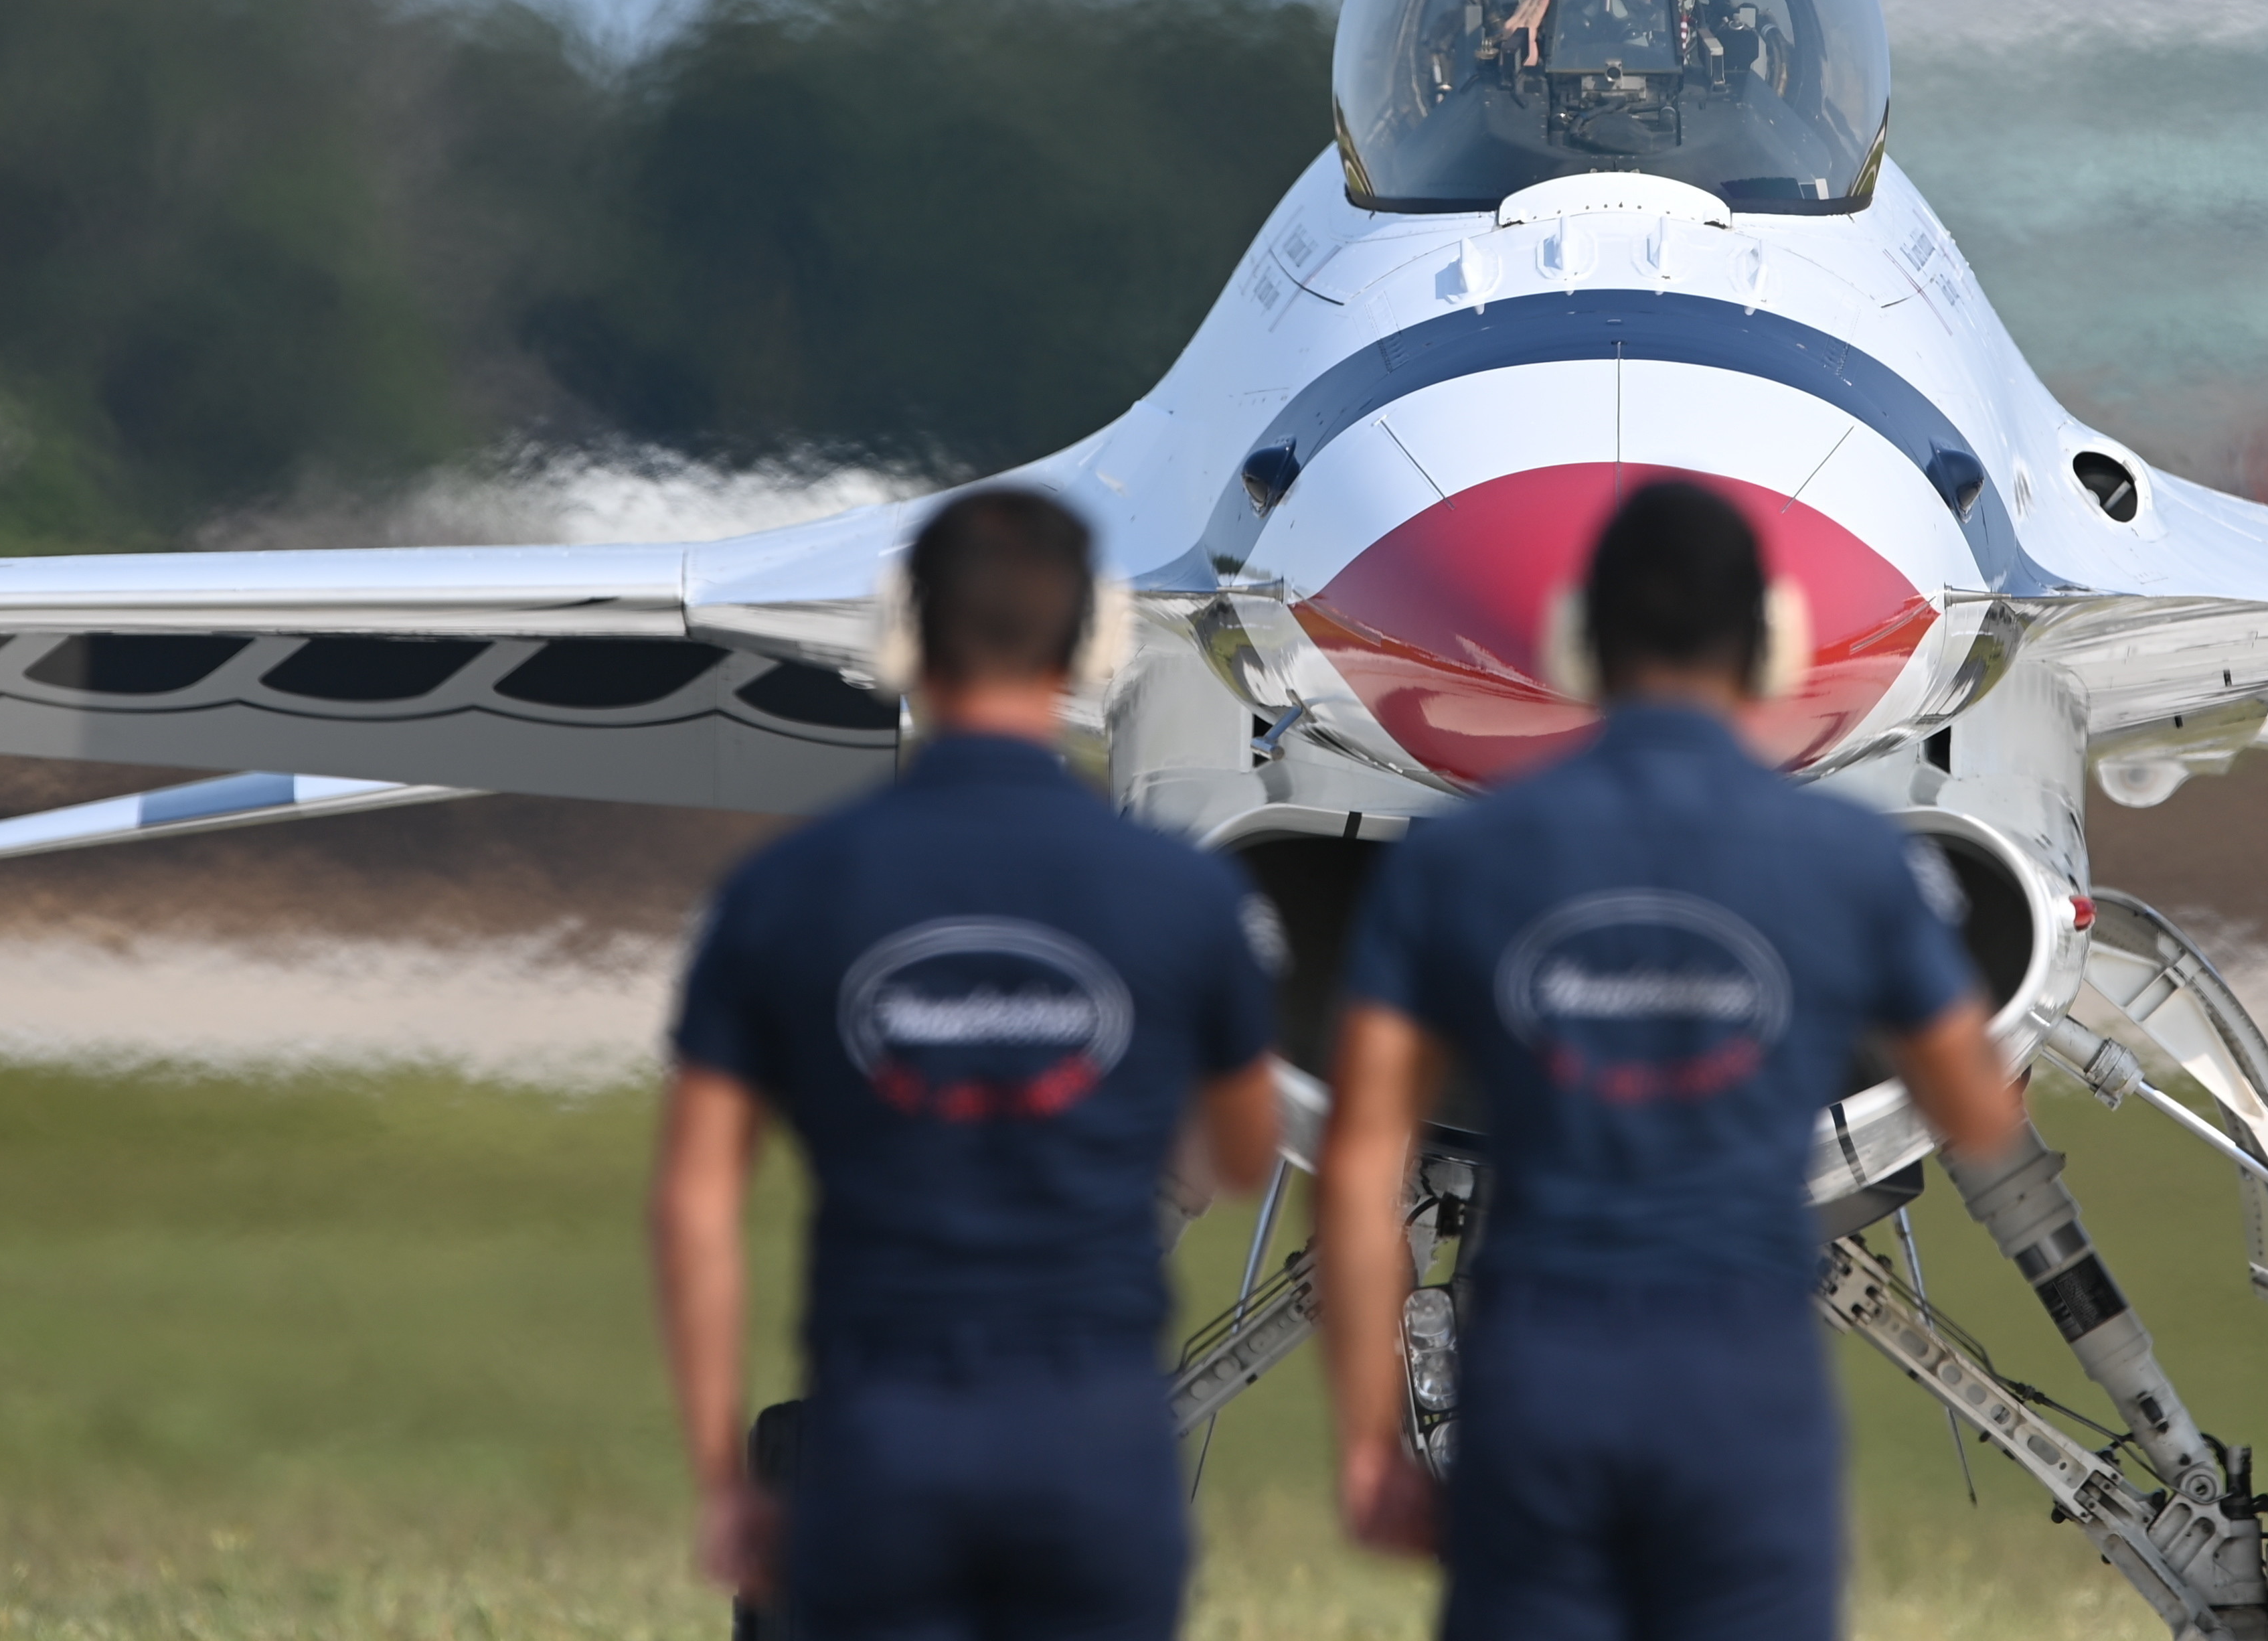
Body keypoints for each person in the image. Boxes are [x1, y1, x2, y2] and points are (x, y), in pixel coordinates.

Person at [1315, 479, 2026, 1641]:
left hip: (1540, 1376)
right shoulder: (1850, 861)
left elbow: (1356, 1168)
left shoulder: (1456, 861)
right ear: (1771, 644)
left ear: (1578, 642)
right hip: (1742, 1382)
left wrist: (1366, 1442)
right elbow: (1979, 1113)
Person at [650, 487, 1283, 1641]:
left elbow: (697, 1201)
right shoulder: (1186, 899)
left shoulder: (785, 895)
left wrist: (721, 1477)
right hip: (1092, 1457)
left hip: (881, 1447)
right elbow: (1245, 1150)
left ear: (904, 636)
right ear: (1093, 645)